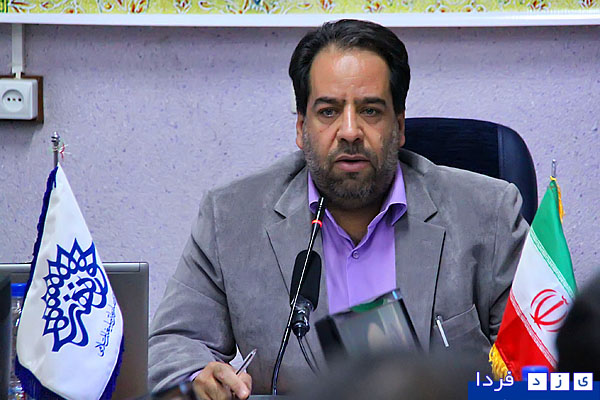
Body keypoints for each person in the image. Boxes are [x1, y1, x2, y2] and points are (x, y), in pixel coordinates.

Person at [149, 19, 528, 399]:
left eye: (370, 111)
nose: (349, 131)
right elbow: (171, 346)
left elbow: (540, 361)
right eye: (329, 111)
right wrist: (199, 376)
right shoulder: (232, 216)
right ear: (301, 127)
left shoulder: (488, 215)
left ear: (399, 126)